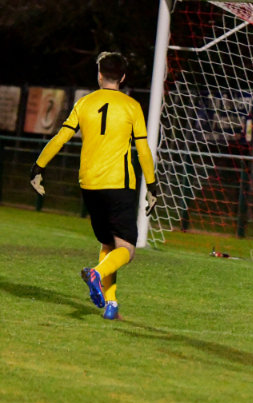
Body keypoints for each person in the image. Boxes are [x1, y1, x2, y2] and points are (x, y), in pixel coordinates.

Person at [29, 51, 158, 320]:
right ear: (123, 77)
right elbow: (143, 150)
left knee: (108, 243)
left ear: (99, 75)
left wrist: (38, 167)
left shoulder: (84, 103)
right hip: (119, 184)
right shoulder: (131, 106)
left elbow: (60, 137)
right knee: (126, 250)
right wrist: (152, 185)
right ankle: (96, 273)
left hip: (89, 184)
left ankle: (112, 305)